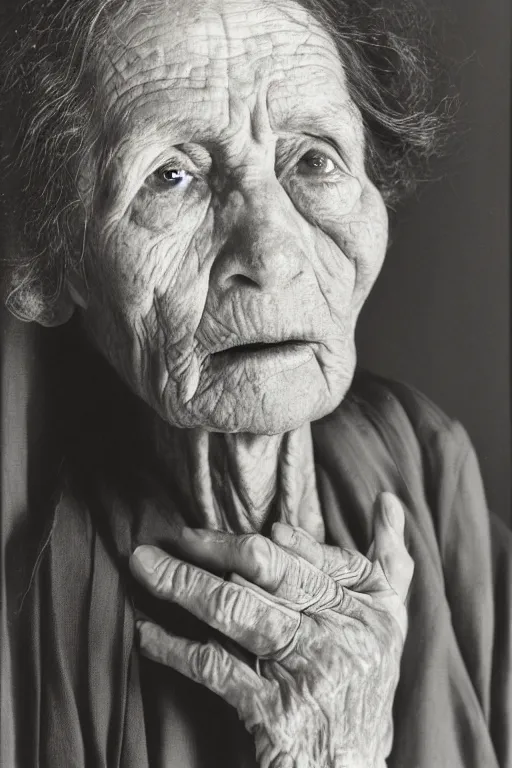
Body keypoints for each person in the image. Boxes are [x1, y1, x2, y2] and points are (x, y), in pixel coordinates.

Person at [1, 0, 511, 765]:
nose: (272, 256)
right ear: (49, 262)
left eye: (314, 159)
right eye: (171, 176)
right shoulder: (24, 558)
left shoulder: (428, 466)